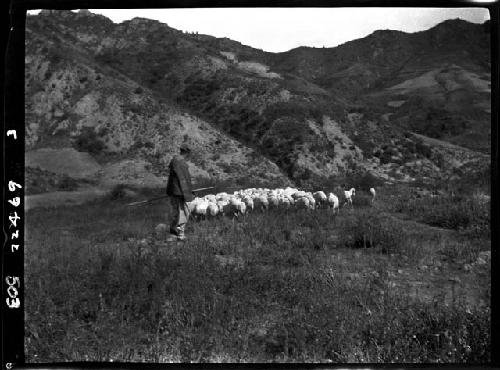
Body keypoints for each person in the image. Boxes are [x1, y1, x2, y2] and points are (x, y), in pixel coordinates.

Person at [165, 145, 194, 242]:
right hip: (180, 192)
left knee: (174, 212)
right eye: (189, 154)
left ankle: (172, 233)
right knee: (183, 212)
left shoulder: (174, 161)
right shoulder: (181, 163)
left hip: (174, 191)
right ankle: (180, 234)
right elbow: (183, 180)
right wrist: (187, 193)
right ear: (187, 153)